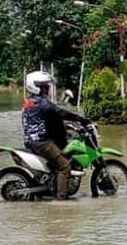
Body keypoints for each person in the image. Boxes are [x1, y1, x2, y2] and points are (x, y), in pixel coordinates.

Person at [22, 70, 90, 199]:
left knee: (58, 158)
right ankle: (61, 201)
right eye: (45, 86)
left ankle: (51, 184)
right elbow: (60, 112)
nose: (47, 89)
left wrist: (66, 125)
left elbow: (44, 119)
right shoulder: (42, 102)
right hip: (42, 142)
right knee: (65, 166)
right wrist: (81, 119)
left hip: (31, 140)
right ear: (36, 87)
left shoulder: (30, 101)